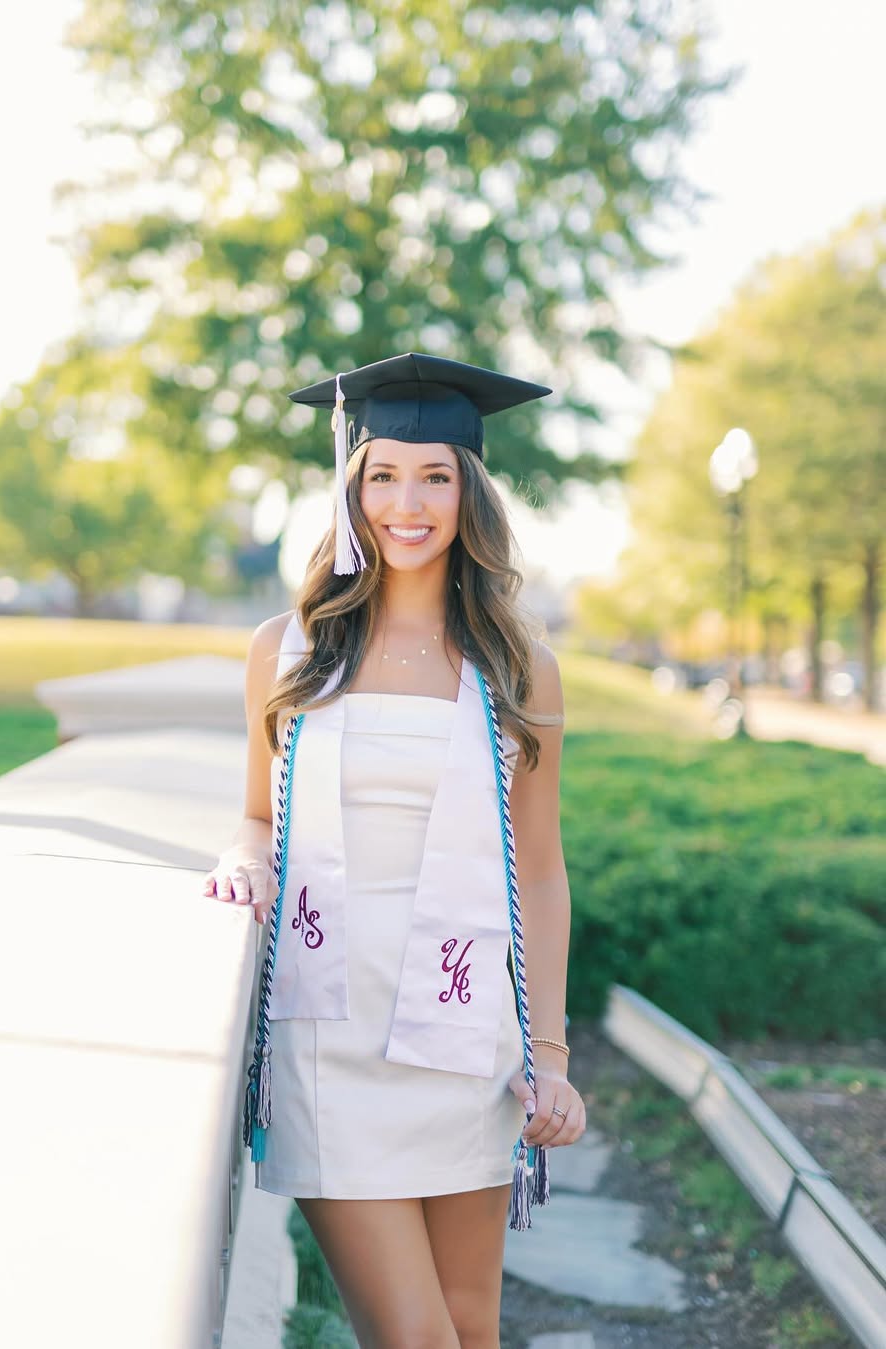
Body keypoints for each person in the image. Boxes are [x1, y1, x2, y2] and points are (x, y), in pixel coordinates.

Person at [204, 353, 585, 1348]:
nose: (405, 504)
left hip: (465, 1042)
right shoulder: (287, 649)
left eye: (434, 476)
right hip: (327, 1041)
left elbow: (540, 869)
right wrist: (245, 858)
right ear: (351, 485)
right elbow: (256, 812)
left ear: (471, 493)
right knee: (418, 1337)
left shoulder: (517, 666)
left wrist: (549, 1055)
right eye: (382, 475)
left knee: (470, 1325)